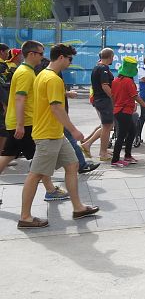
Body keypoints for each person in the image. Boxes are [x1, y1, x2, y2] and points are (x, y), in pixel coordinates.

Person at [18, 43, 99, 229]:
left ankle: (78, 208)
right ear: (61, 57)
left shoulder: (43, 75)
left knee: (72, 165)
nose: (70, 62)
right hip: (48, 135)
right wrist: (74, 130)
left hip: (55, 133)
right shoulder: (53, 79)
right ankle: (25, 217)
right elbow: (56, 108)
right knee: (35, 174)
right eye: (70, 59)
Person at [0, 40, 68, 203]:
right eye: (40, 54)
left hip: (20, 122)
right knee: (40, 159)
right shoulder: (25, 73)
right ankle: (50, 190)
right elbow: (20, 99)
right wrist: (20, 125)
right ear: (31, 54)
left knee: (9, 156)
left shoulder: (26, 70)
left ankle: (50, 190)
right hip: (24, 123)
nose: (43, 57)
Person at [109, 56, 145, 165]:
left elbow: (112, 97)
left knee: (132, 132)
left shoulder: (115, 80)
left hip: (119, 111)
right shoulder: (128, 81)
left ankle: (127, 156)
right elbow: (135, 96)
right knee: (122, 135)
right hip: (125, 111)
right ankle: (115, 159)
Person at [82, 48, 115, 161]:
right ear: (110, 57)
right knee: (107, 126)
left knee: (107, 126)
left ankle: (89, 144)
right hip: (103, 100)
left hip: (99, 99)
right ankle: (102, 152)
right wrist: (114, 98)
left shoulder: (98, 67)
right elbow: (105, 86)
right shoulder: (103, 68)